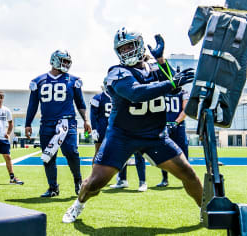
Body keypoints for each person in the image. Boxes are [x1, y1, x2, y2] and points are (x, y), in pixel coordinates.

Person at [62, 27, 202, 223]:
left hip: (155, 136)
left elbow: (174, 88)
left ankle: (206, 211)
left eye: (130, 46)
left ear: (140, 44)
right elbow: (136, 93)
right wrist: (171, 83)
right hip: (122, 137)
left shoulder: (153, 67)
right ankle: (78, 204)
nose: (127, 51)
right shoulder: (116, 72)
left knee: (189, 174)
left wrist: (161, 60)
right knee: (95, 183)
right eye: (123, 48)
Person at [25, 49, 92, 197]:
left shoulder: (73, 80)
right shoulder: (38, 81)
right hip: (47, 123)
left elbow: (80, 103)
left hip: (68, 122)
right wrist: (28, 123)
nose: (66, 64)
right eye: (64, 60)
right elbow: (32, 104)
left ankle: (78, 181)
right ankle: (53, 188)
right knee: (48, 156)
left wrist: (86, 120)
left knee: (72, 153)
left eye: (68, 61)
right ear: (54, 60)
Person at [90, 90, 147, 192]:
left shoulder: (126, 94)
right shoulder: (99, 97)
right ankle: (121, 179)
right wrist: (94, 129)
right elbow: (93, 114)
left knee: (138, 154)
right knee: (119, 155)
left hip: (131, 127)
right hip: (115, 130)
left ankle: (142, 182)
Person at [0, 92, 24, 185]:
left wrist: (8, 133)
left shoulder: (6, 110)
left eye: (1, 98)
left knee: (8, 157)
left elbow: (11, 123)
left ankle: (12, 178)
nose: (0, 99)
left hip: (3, 138)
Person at [156, 88, 190, 187]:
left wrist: (176, 122)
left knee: (183, 151)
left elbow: (186, 110)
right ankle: (165, 179)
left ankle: (187, 178)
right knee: (162, 152)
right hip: (163, 125)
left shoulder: (183, 92)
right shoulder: (161, 90)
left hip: (178, 126)